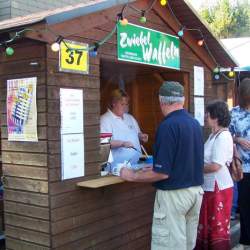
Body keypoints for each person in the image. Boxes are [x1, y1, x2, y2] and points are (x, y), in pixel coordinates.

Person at [120, 81, 204, 250]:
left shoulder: (167, 126)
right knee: (187, 245)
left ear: (161, 101)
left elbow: (163, 174)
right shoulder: (194, 123)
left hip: (174, 197)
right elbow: (181, 160)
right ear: (183, 100)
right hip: (195, 194)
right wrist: (154, 168)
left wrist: (132, 175)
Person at [195, 100, 234, 250]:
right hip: (211, 187)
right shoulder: (214, 135)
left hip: (219, 188)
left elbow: (215, 166)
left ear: (216, 117)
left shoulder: (223, 136)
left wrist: (194, 168)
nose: (205, 117)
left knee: (217, 226)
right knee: (209, 224)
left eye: (208, 114)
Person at [100, 89, 148, 168]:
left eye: (126, 104)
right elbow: (104, 144)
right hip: (117, 168)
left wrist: (141, 136)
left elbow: (137, 134)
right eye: (122, 104)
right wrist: (122, 143)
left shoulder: (130, 118)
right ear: (113, 103)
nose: (125, 107)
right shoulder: (105, 120)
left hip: (137, 165)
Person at [229, 78, 250, 248]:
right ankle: (245, 240)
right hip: (243, 168)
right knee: (244, 206)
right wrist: (238, 140)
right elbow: (225, 136)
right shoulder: (234, 113)